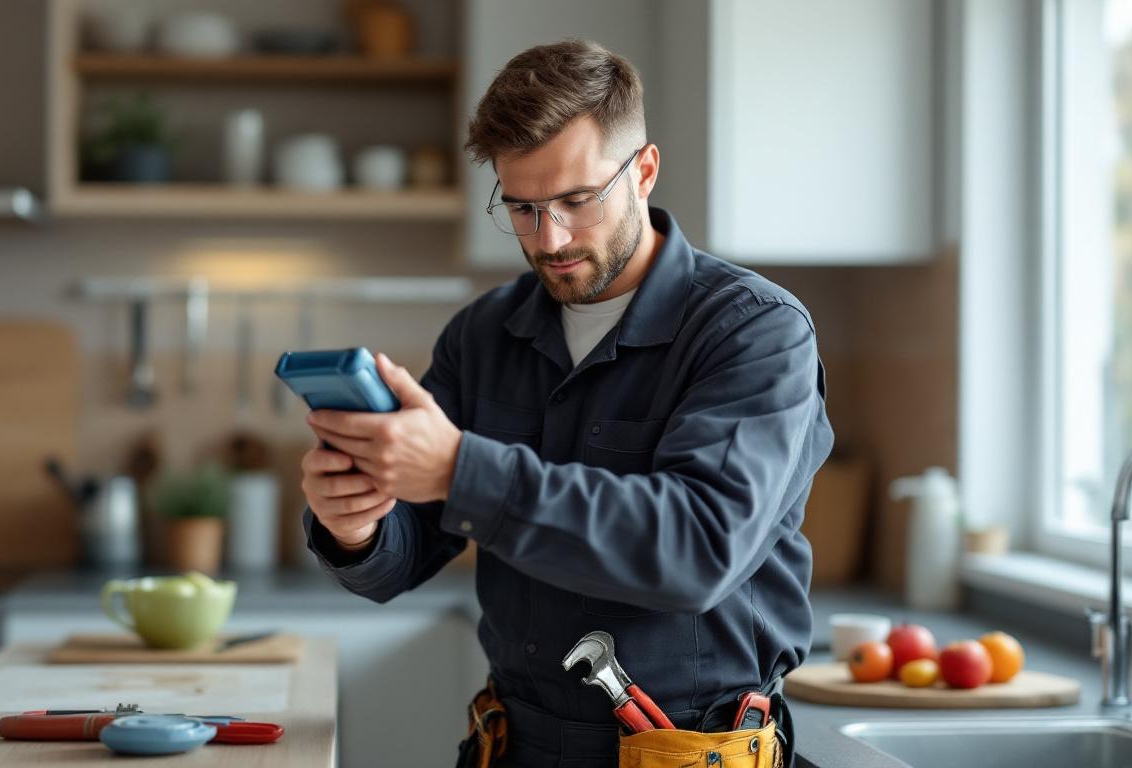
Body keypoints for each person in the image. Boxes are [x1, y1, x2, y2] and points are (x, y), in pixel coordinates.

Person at [299, 39, 833, 767]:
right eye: (521, 206)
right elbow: (404, 555)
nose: (549, 238)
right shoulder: (483, 333)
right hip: (510, 746)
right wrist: (354, 527)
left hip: (689, 752)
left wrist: (461, 471)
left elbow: (700, 549)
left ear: (643, 171)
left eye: (577, 201)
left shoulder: (756, 332)